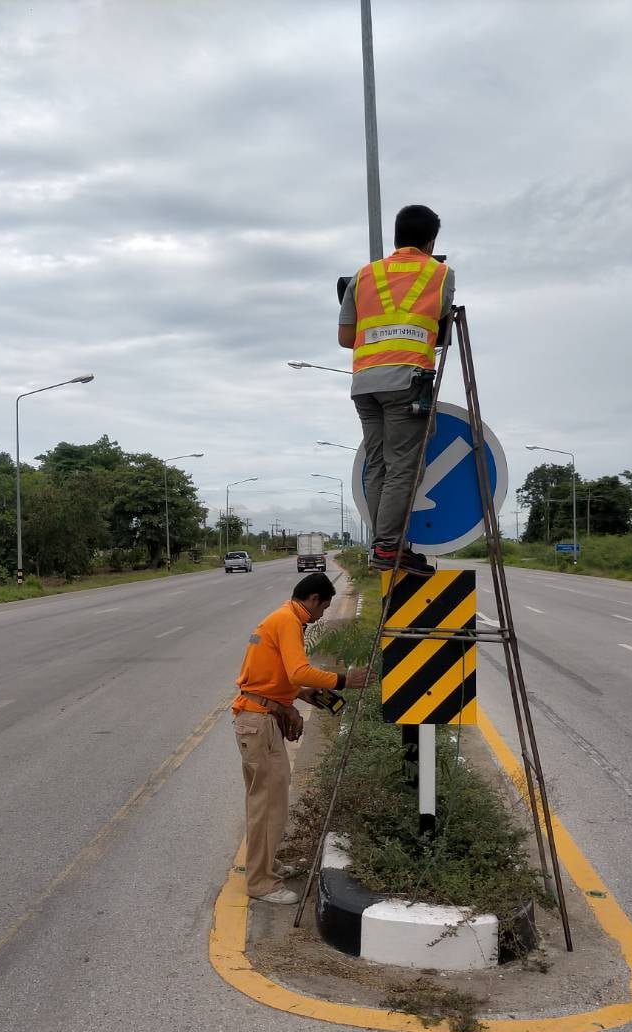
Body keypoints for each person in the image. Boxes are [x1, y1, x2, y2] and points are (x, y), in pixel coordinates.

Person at [231, 572, 370, 905]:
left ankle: (266, 865)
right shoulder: (289, 621)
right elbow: (297, 670)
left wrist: (301, 694)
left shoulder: (280, 617)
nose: (321, 615)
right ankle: (261, 883)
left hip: (257, 719)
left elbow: (274, 675)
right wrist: (343, 680)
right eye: (324, 608)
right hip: (259, 723)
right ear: (313, 600)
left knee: (264, 802)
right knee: (269, 805)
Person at [338, 204, 455, 576]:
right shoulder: (440, 274)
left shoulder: (364, 275)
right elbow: (442, 324)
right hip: (406, 380)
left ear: (396, 237)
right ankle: (388, 548)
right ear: (431, 241)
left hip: (364, 383)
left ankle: (386, 545)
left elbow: (345, 338)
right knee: (404, 466)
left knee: (378, 465)